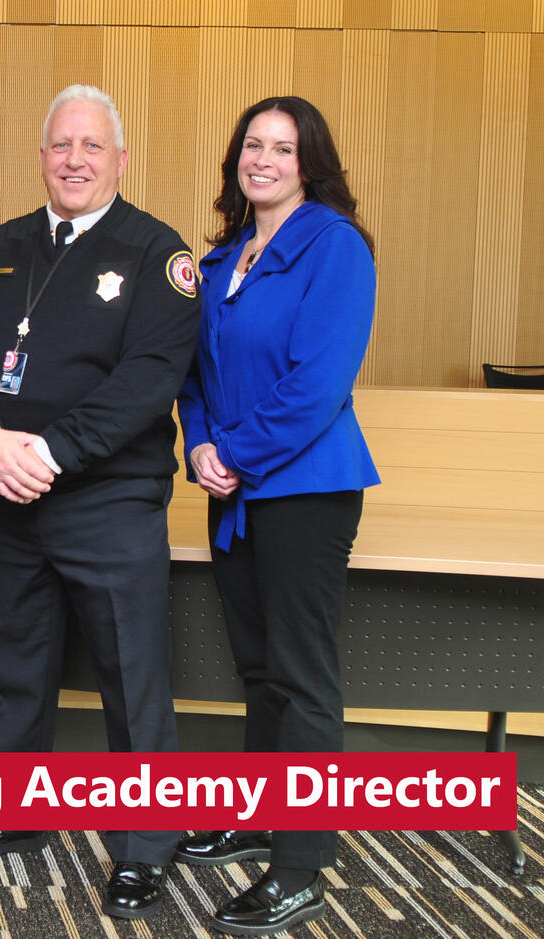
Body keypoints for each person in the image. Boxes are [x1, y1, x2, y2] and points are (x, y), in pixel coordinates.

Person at [0, 85, 200, 920]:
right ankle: (14, 811)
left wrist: (45, 450)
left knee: (131, 676)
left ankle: (148, 844)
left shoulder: (158, 253)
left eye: (91, 146)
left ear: (121, 159)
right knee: (19, 666)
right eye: (60, 146)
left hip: (109, 499)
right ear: (41, 157)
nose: (74, 159)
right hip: (10, 495)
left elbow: (149, 381)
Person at [173, 95, 379, 936]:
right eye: (251, 145)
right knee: (257, 671)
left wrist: (234, 452)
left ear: (309, 162)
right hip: (233, 490)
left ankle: (299, 867)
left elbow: (319, 383)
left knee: (302, 678)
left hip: (304, 489)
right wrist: (198, 446)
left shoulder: (334, 245)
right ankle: (260, 814)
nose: (262, 159)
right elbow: (193, 376)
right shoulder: (223, 259)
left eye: (281, 148)